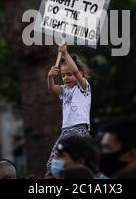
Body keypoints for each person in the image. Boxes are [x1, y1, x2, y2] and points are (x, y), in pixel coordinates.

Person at [46, 44, 92, 173]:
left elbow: (76, 71)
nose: (65, 78)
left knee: (80, 160)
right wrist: (50, 76)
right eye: (63, 75)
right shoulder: (65, 90)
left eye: (69, 74)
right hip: (65, 131)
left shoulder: (83, 87)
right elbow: (52, 87)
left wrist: (65, 53)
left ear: (81, 74)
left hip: (79, 128)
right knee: (52, 164)